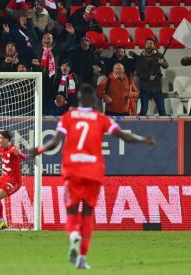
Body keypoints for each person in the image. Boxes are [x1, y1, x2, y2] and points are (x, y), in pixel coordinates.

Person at [30, 84, 154, 270]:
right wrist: (143, 140)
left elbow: (55, 142)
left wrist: (38, 149)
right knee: (87, 214)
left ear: (79, 99)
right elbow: (123, 136)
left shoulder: (68, 117)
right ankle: (82, 258)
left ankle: (73, 236)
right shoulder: (101, 118)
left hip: (73, 170)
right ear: (94, 101)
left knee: (72, 211)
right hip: (93, 172)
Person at [135, 38, 168, 116]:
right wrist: (147, 77)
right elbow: (139, 73)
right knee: (143, 110)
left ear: (154, 45)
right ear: (145, 45)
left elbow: (166, 66)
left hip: (156, 87)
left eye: (151, 43)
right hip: (144, 87)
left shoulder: (159, 55)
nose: (149, 45)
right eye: (147, 43)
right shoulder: (140, 58)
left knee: (162, 111)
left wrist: (162, 62)